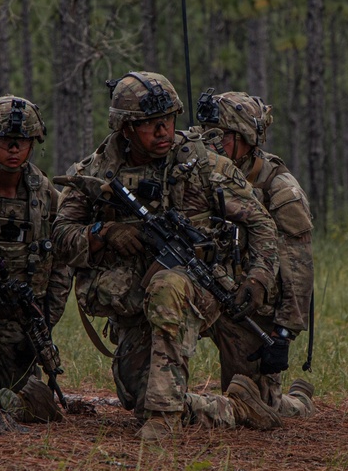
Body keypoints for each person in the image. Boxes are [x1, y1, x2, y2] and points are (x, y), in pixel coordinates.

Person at [52, 71, 292, 441]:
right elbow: (60, 236)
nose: (164, 131)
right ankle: (207, 409)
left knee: (266, 400)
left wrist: (259, 276)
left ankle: (171, 417)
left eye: (169, 121)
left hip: (214, 291)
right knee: (140, 396)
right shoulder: (94, 173)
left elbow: (260, 221)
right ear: (126, 128)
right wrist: (105, 234)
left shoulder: (202, 165)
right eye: (151, 124)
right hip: (138, 307)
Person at [196, 90, 315, 418]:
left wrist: (284, 332)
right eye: (205, 135)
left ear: (246, 139)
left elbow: (298, 264)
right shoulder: (197, 175)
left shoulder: (279, 189)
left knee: (256, 406)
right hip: (206, 287)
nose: (210, 144)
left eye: (219, 137)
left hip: (250, 306)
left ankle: (297, 402)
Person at [0, 95, 72, 423]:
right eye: (5, 141)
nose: (13, 149)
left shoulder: (44, 195)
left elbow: (62, 262)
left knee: (34, 405)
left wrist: (45, 321)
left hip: (21, 325)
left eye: (22, 142)